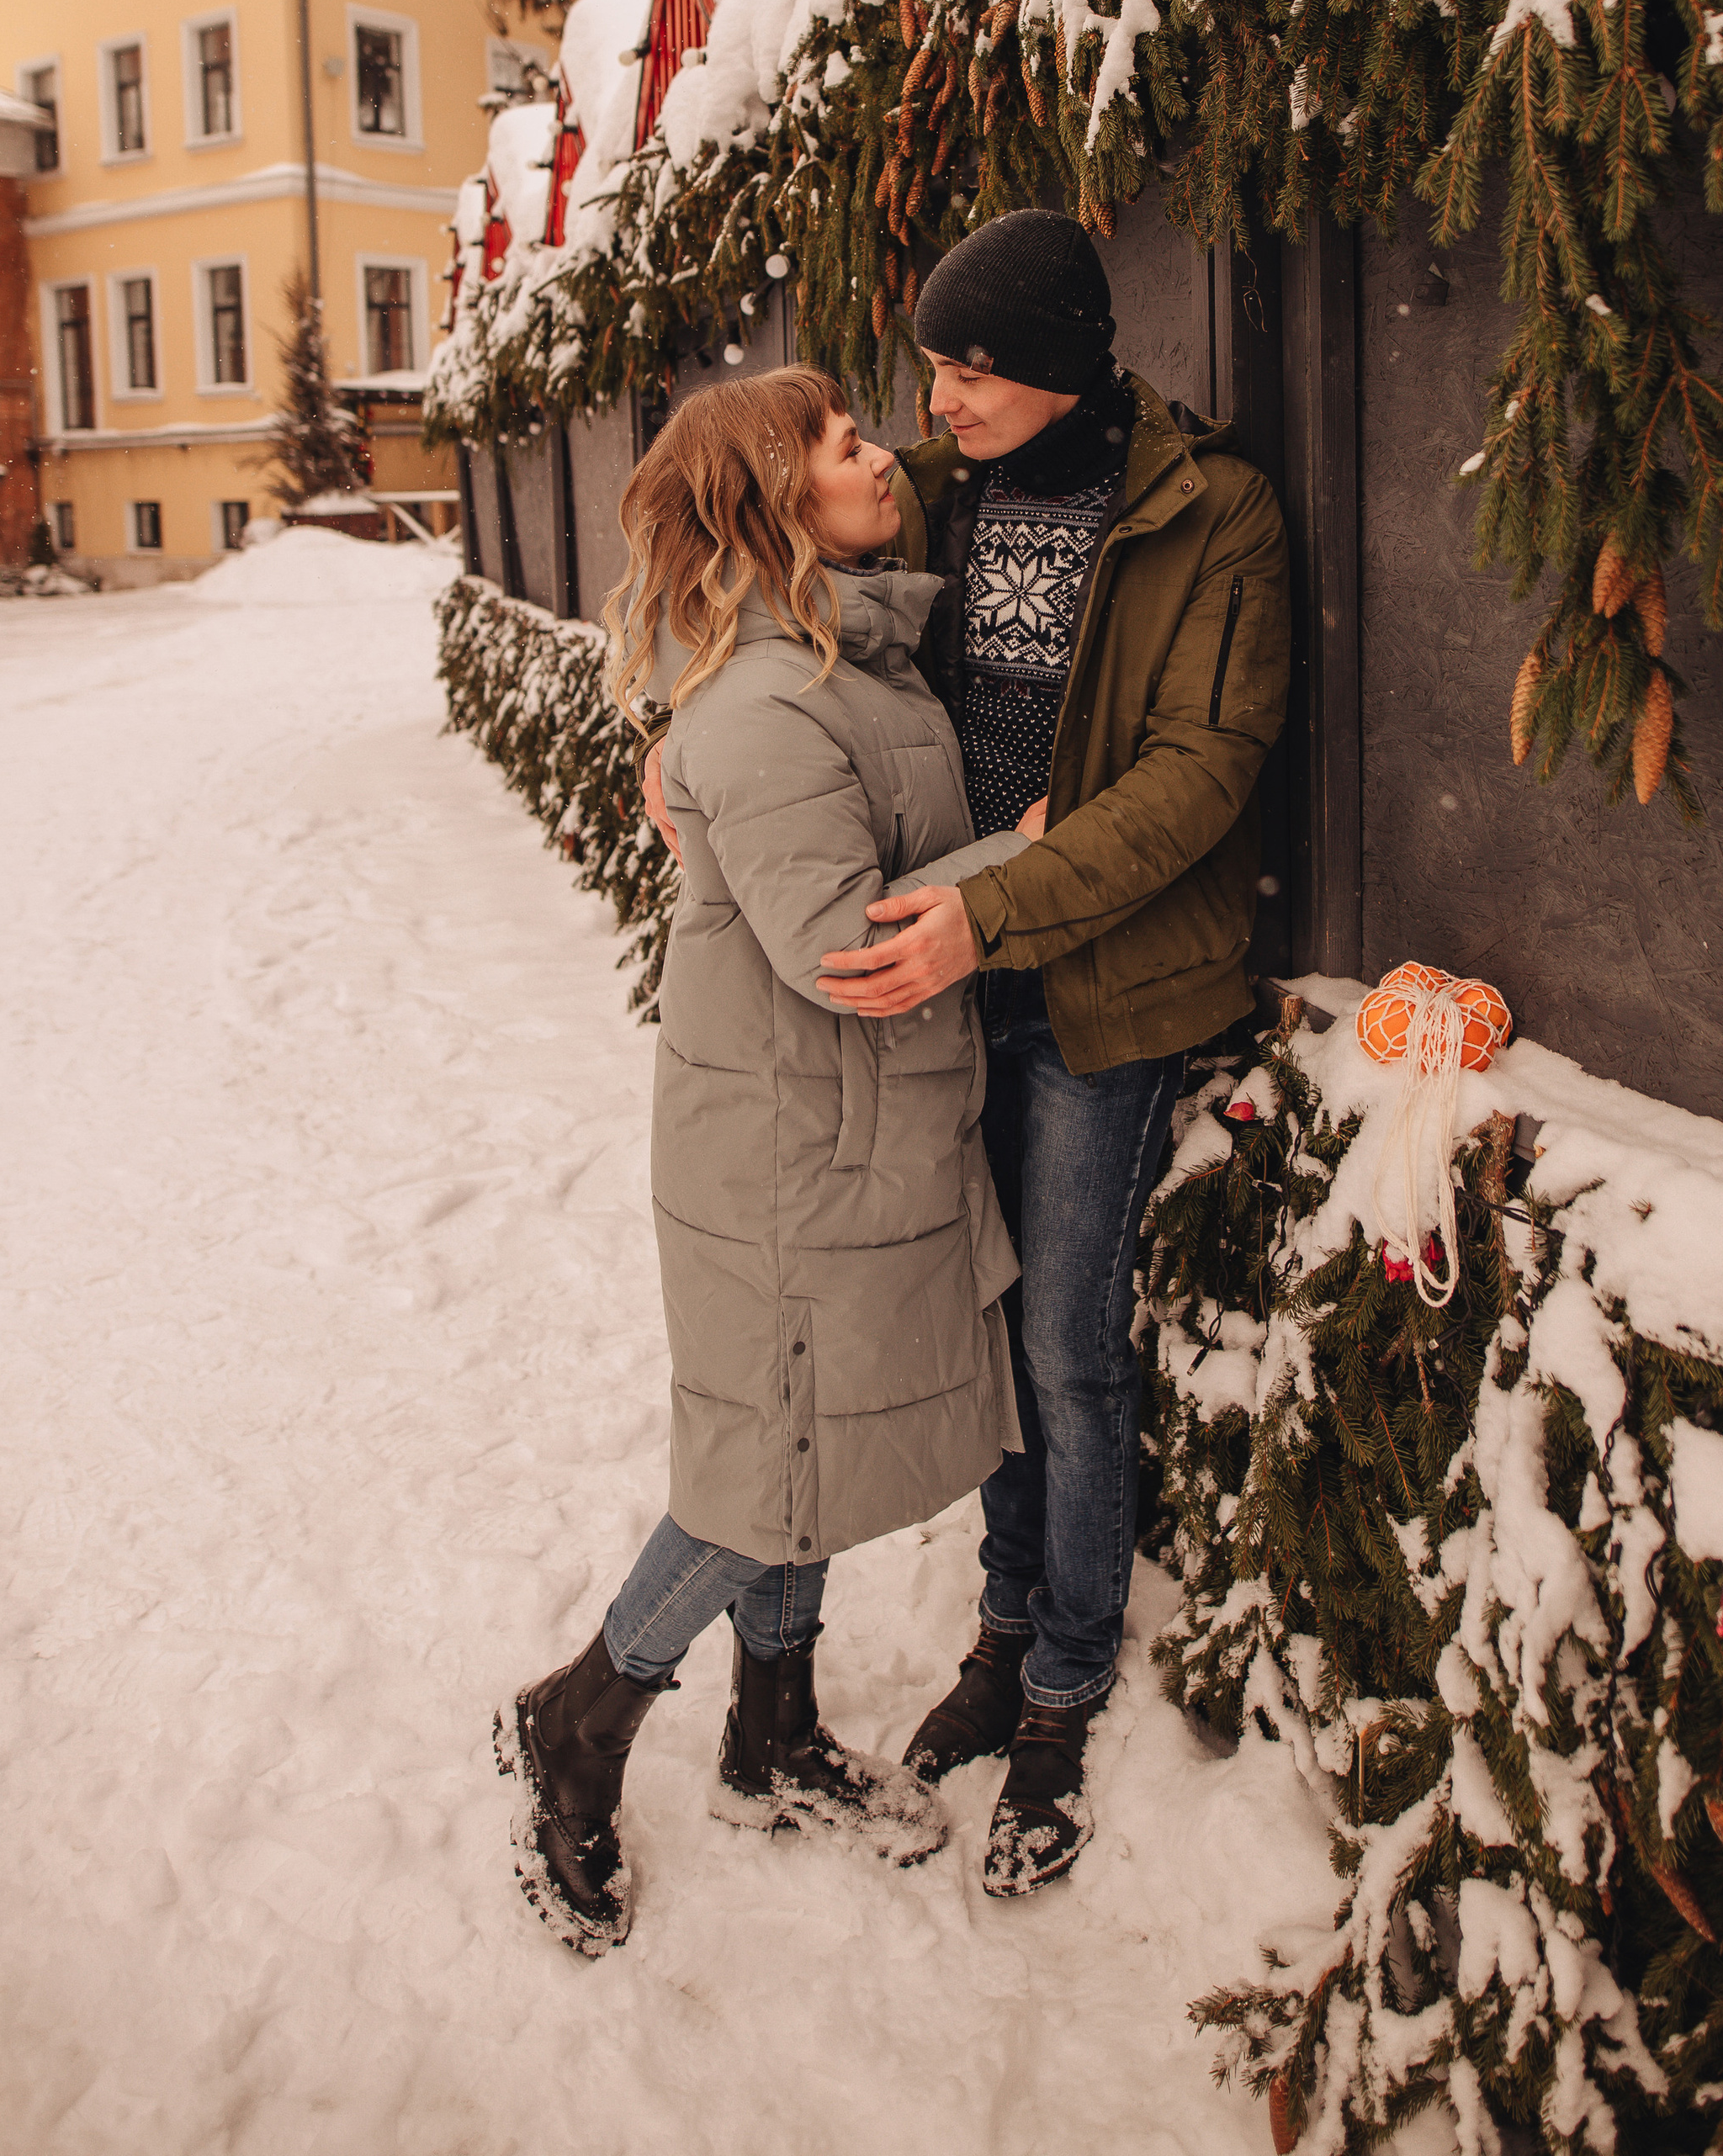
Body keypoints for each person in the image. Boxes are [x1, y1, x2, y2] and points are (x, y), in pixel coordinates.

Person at [501, 367, 1034, 1955]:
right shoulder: (770, 700)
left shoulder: (820, 655)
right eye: (848, 443)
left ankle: (773, 1737)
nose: (887, 455)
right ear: (772, 502)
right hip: (792, 1151)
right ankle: (584, 1717)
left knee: (803, 1446)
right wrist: (1043, 855)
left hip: (830, 1130)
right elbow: (837, 951)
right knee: (768, 1467)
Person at [814, 209, 1291, 1894]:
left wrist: (999, 900)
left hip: (1099, 989)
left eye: (970, 365)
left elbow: (1198, 768)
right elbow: (774, 608)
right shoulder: (946, 497)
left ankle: (1067, 1677)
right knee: (992, 1319)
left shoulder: (1204, 512)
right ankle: (1002, 1627)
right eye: (933, 363)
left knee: (1073, 1347)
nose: (935, 395)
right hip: (960, 966)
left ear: (1059, 362)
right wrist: (679, 728)